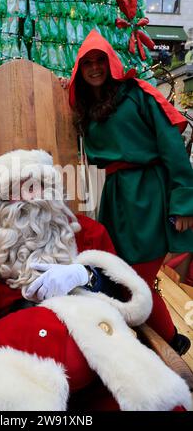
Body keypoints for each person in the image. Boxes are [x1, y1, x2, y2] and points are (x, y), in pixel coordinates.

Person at [0, 149, 190, 411]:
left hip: (98, 356)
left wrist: (86, 275)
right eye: (13, 192)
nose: (26, 200)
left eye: (34, 187)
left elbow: (122, 294)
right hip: (15, 363)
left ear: (52, 190)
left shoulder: (88, 233)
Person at [68, 29, 193, 353]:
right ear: (80, 69)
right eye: (87, 63)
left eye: (100, 61)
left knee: (137, 275)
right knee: (121, 271)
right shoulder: (85, 105)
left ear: (111, 62)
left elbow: (172, 148)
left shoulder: (138, 94)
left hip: (146, 193)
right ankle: (162, 340)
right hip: (114, 196)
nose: (95, 68)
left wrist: (183, 203)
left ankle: (170, 343)